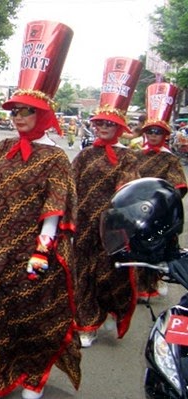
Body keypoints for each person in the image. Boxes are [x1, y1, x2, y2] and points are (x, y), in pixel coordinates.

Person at [0, 21, 80, 399]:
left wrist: (43, 248)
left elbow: (55, 207)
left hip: (33, 252)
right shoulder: (4, 150)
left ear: (43, 114)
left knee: (30, 315)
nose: (18, 117)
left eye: (26, 111)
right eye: (14, 110)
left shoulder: (56, 158)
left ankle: (32, 374)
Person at [72, 57, 142, 348]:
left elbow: (129, 194)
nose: (102, 127)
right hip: (83, 225)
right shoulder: (85, 155)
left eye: (108, 124)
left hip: (111, 230)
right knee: (82, 273)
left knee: (108, 275)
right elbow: (69, 185)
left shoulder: (128, 157)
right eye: (99, 122)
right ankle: (87, 323)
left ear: (120, 128)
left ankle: (112, 308)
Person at [135, 83, 187, 300]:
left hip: (160, 214)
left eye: (157, 132)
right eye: (149, 131)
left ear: (165, 134)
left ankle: (150, 286)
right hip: (137, 211)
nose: (153, 135)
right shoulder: (136, 155)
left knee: (156, 252)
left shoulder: (170, 158)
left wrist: (161, 202)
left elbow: (178, 187)